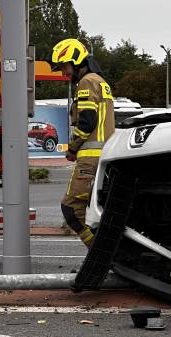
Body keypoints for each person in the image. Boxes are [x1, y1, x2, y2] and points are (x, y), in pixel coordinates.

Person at [51, 38, 115, 247]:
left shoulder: (87, 82)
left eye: (64, 67)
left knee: (71, 210)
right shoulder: (100, 81)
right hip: (104, 156)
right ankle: (105, 257)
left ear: (76, 61)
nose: (63, 73)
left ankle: (99, 257)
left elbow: (87, 121)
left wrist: (72, 148)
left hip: (90, 159)